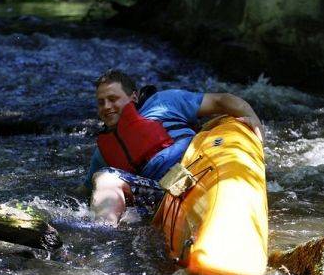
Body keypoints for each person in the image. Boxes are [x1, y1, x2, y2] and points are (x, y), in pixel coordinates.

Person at [84, 69, 263, 226]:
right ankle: (102, 238)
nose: (106, 107)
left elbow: (221, 100)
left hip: (199, 167)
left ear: (134, 97)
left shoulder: (164, 102)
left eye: (113, 99)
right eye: (101, 102)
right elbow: (86, 191)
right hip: (163, 194)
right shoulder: (103, 153)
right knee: (106, 180)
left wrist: (252, 118)